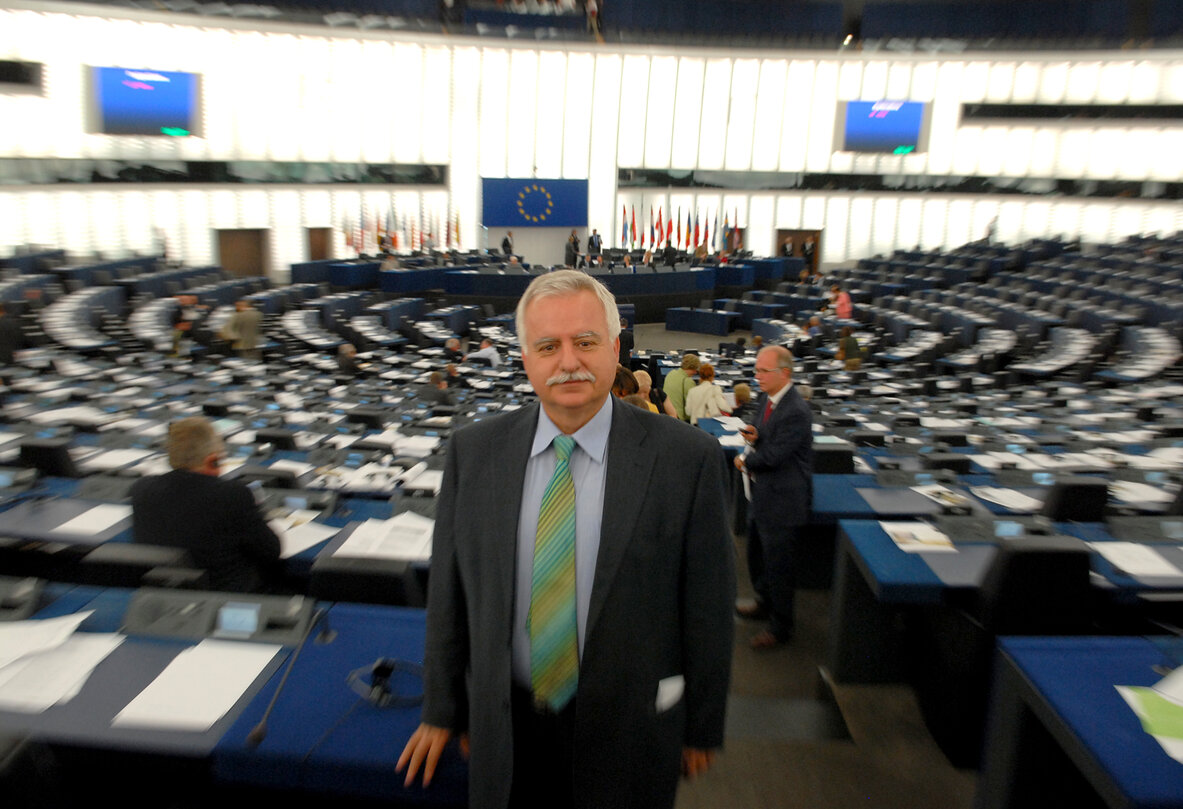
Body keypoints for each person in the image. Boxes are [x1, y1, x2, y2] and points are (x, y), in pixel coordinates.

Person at [396, 269, 735, 809]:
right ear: (525, 356)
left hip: (631, 727)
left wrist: (703, 727)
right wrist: (442, 710)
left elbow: (709, 607)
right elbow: (450, 596)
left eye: (585, 341)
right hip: (504, 721)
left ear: (615, 345)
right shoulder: (473, 453)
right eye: (548, 346)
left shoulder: (686, 459)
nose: (568, 362)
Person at [129, 416, 282, 593]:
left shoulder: (141, 489)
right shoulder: (232, 494)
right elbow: (271, 551)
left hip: (164, 597)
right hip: (225, 598)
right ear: (212, 460)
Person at [734, 346, 813, 650]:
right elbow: (769, 438)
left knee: (779, 566)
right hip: (763, 495)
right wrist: (756, 435)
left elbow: (777, 455)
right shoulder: (768, 399)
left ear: (785, 373)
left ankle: (781, 627)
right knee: (758, 555)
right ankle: (763, 602)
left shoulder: (796, 410)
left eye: (763, 372)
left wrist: (745, 461)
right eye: (756, 370)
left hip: (783, 501)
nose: (757, 377)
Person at [662, 352, 699, 422]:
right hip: (679, 419)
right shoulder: (688, 381)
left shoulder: (671, 373)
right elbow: (692, 408)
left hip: (665, 415)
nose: (696, 373)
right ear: (693, 368)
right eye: (696, 370)